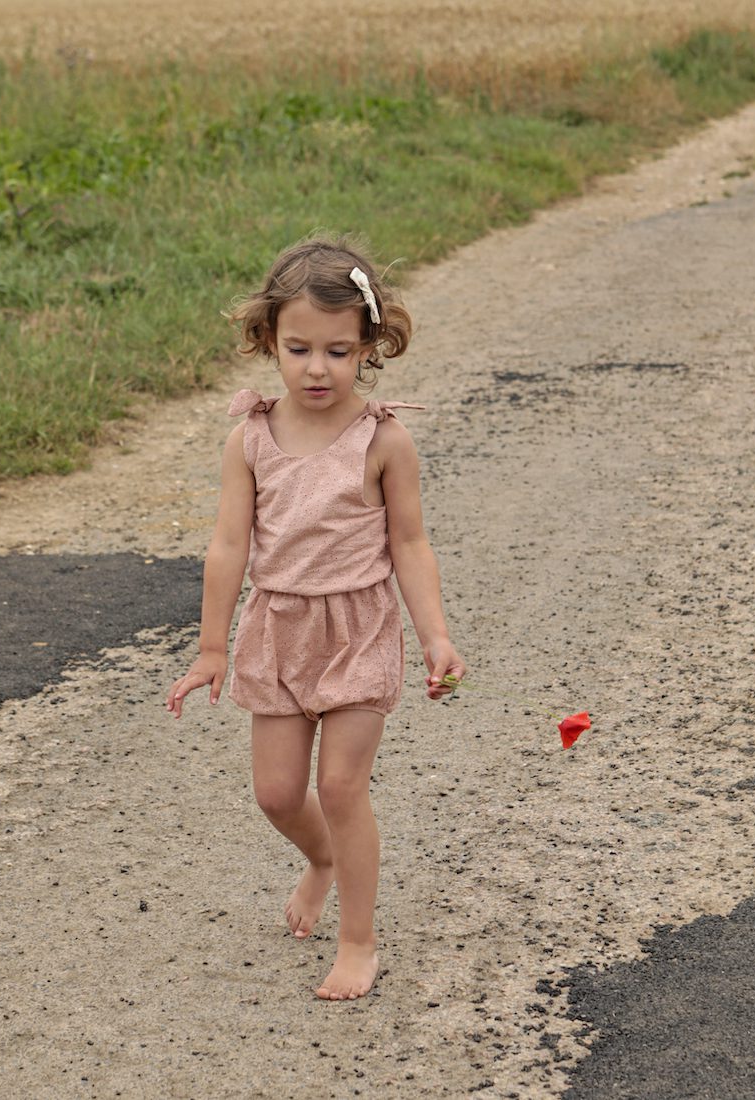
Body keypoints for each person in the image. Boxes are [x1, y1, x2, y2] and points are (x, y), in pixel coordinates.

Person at [166, 235, 465, 1002]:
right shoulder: (250, 438)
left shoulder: (384, 440)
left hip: (359, 628)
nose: (317, 368)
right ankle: (323, 860)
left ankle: (358, 939)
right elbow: (230, 545)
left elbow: (411, 543)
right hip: (277, 629)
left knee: (339, 785)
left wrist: (434, 636)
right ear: (269, 340)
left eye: (338, 351)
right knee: (275, 793)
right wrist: (211, 648)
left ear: (369, 346)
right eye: (298, 349)